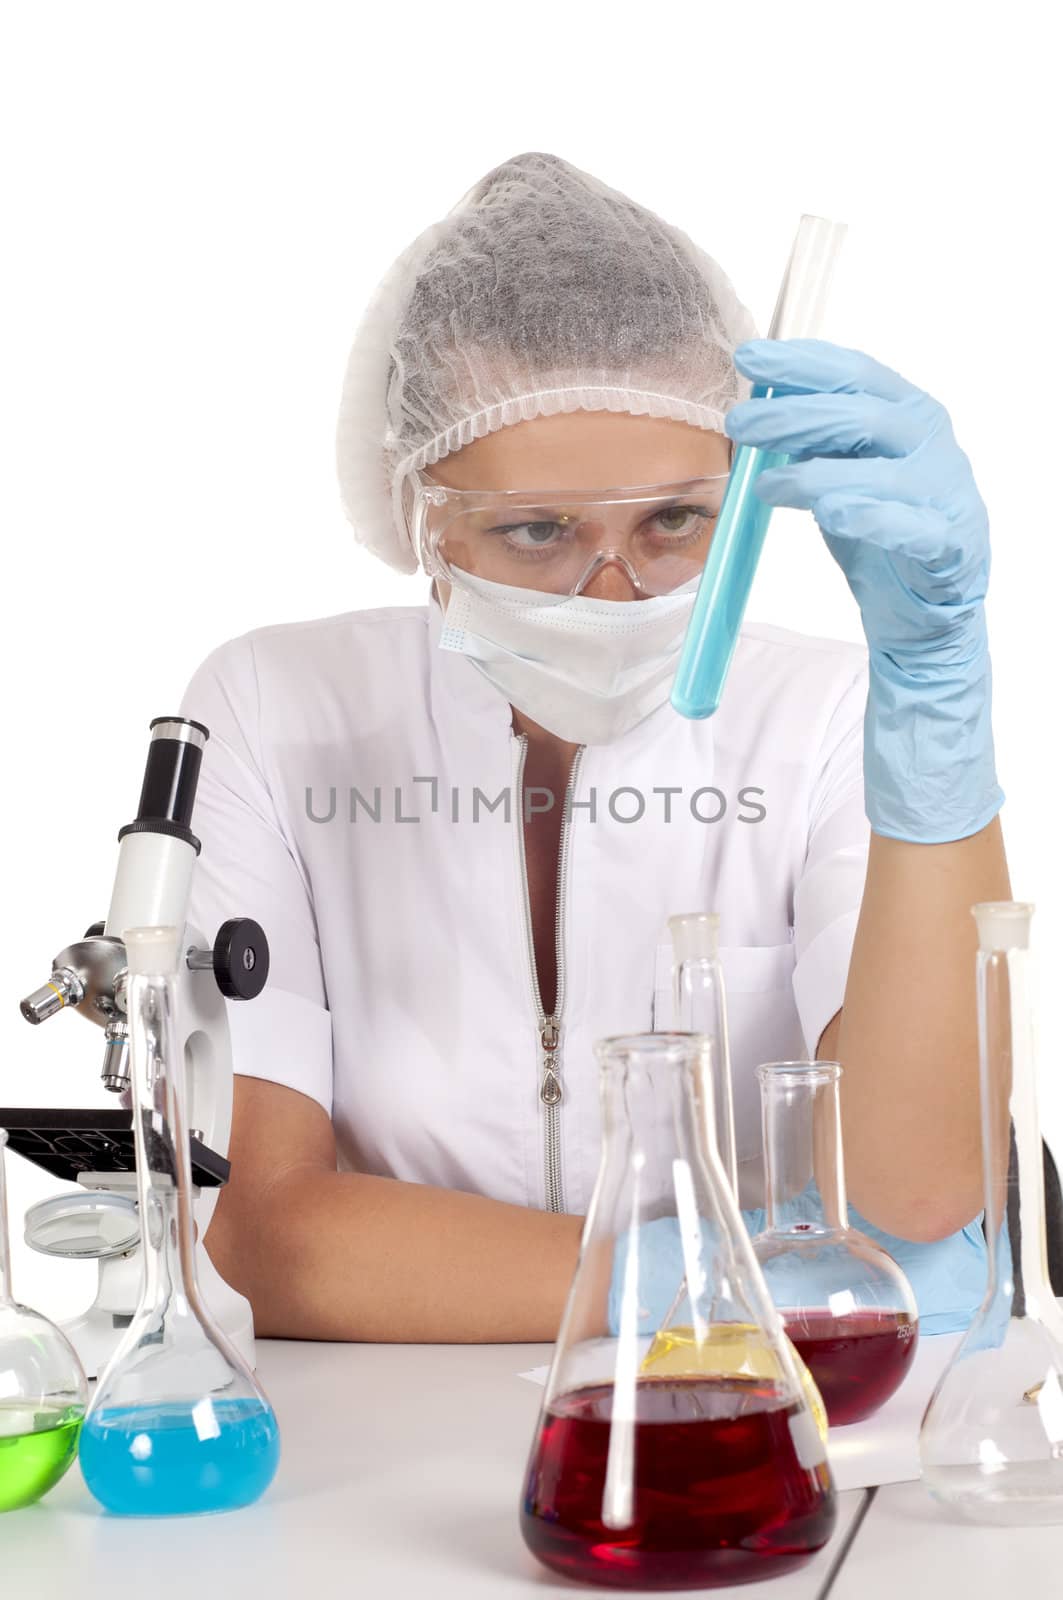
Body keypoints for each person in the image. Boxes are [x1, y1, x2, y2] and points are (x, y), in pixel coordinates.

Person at [179, 152, 1008, 1343]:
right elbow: (267, 1238)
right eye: (535, 530)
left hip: (758, 1422)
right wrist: (734, 1282)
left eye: (674, 519)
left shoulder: (829, 715)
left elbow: (916, 1189)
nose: (614, 592)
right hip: (376, 1439)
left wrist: (934, 701)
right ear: (412, 508)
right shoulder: (274, 706)